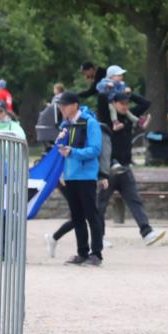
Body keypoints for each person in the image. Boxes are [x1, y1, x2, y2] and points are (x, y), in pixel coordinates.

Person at [96, 83, 166, 245]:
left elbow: (146, 104)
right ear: (113, 103)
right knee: (101, 203)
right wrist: (108, 88)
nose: (125, 106)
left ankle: (147, 232)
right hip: (109, 169)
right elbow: (100, 99)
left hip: (125, 168)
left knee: (134, 200)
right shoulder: (107, 118)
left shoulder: (129, 115)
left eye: (127, 103)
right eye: (122, 103)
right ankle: (99, 237)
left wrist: (129, 93)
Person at [55, 91, 104, 265]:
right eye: (60, 105)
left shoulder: (90, 123)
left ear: (74, 105)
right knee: (77, 217)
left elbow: (96, 149)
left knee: (92, 215)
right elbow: (60, 149)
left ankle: (96, 253)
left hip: (86, 176)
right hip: (70, 177)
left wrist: (73, 152)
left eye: (64, 105)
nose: (61, 108)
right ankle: (82, 252)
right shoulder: (65, 125)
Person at [78, 62, 112, 129]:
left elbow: (92, 91)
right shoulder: (98, 75)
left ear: (90, 69)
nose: (85, 75)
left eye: (85, 73)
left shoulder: (101, 74)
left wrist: (77, 95)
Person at [35, 83, 65, 151]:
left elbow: (54, 108)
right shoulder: (64, 96)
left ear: (57, 90)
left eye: (54, 89)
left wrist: (48, 105)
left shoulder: (56, 98)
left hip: (53, 122)